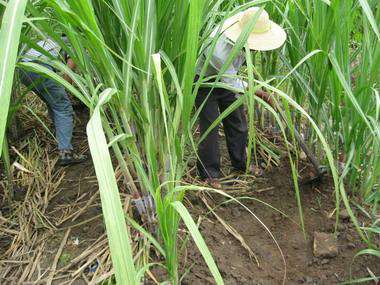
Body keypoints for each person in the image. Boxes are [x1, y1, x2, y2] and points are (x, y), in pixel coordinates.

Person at [195, 7, 287, 188]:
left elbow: (235, 74)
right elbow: (231, 82)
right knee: (210, 128)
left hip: (229, 78)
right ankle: (209, 173)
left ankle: (240, 163)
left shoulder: (245, 37)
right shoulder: (218, 49)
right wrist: (260, 92)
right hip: (206, 82)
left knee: (238, 123)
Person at [19, 36, 86, 166]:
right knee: (63, 107)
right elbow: (68, 75)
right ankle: (66, 153)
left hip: (23, 69)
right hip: (39, 68)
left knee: (53, 103)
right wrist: (69, 95)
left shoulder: (52, 40)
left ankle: (60, 137)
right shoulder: (74, 42)